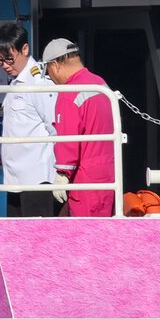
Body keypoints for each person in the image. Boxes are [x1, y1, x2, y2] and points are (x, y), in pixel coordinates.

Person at [0, 23, 58, 217]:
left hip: (36, 178)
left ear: (25, 49)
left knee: (37, 241)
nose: (4, 65)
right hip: (14, 178)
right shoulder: (15, 81)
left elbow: (54, 127)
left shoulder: (38, 82)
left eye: (9, 59)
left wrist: (61, 172)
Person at [42, 37, 115, 217]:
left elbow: (68, 138)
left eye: (48, 72)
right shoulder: (100, 84)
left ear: (55, 65)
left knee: (85, 237)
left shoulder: (69, 92)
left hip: (85, 178)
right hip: (108, 173)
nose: (51, 78)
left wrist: (62, 173)